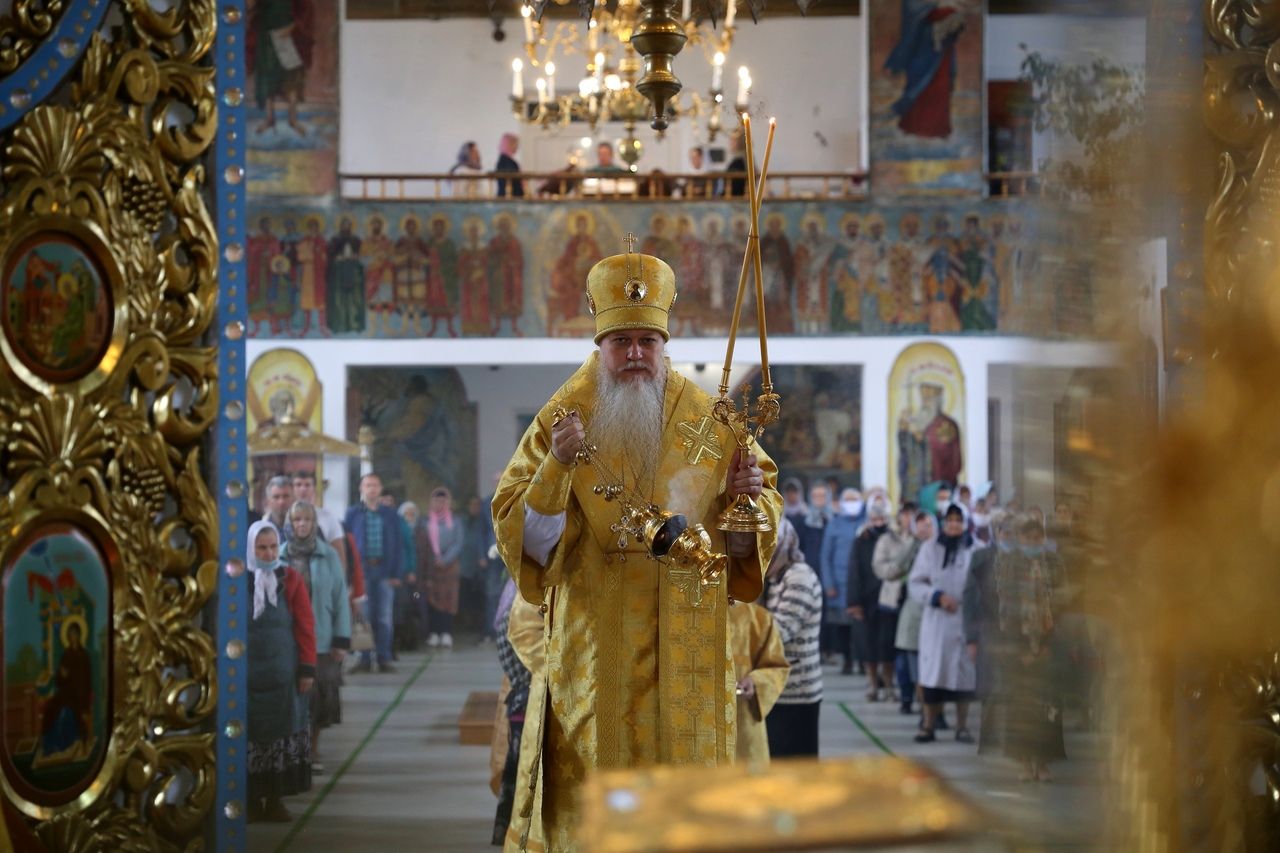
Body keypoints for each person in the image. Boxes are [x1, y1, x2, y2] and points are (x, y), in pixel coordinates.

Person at [492, 246, 780, 850]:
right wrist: (556, 466)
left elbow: (751, 530)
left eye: (647, 341)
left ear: (663, 344)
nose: (634, 354)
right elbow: (527, 543)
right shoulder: (560, 419)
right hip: (594, 650)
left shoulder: (712, 418)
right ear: (600, 344)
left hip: (687, 644)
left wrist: (745, 499)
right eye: (620, 341)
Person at [245, 521, 315, 823]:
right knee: (249, 737)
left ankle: (275, 800)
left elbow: (305, 625)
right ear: (250, 549)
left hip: (283, 673)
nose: (269, 553)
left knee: (279, 738)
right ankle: (249, 800)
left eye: (273, 547)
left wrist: (307, 668)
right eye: (261, 548)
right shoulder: (237, 581)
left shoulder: (292, 579)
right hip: (247, 675)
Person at [281, 501, 351, 775]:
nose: (302, 524)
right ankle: (293, 750)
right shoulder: (281, 556)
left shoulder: (328, 555)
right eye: (297, 520)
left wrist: (341, 638)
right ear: (290, 524)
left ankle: (313, 748)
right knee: (294, 697)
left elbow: (340, 597)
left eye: (307, 520)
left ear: (314, 524)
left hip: (322, 638)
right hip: (290, 639)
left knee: (320, 698)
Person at [909, 504, 976, 744]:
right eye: (950, 520)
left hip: (965, 617)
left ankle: (962, 726)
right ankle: (928, 725)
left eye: (959, 520)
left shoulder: (976, 549)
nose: (954, 524)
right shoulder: (930, 548)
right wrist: (936, 596)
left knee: (964, 677)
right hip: (937, 620)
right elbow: (915, 582)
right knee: (932, 675)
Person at [762, 519, 824, 758]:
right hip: (775, 691)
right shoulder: (774, 577)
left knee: (796, 769)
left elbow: (780, 632)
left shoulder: (799, 578)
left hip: (796, 694)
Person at [343, 473, 405, 673]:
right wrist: (349, 575)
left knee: (384, 617)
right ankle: (363, 658)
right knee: (364, 616)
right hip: (362, 571)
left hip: (385, 570)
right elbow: (346, 545)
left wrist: (397, 573)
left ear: (380, 489)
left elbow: (399, 544)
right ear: (361, 488)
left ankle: (383, 657)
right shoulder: (353, 513)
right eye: (368, 485)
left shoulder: (390, 514)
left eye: (375, 485)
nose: (372, 489)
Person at [728, 601, 789, 763]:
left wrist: (755, 681)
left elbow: (776, 667)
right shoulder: (674, 615)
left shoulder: (757, 618)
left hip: (741, 724)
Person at [847, 498, 895, 701]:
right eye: (875, 519)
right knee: (868, 647)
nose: (878, 522)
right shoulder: (861, 540)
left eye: (882, 519)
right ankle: (873, 684)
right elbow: (854, 572)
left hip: (889, 599)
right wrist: (854, 602)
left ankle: (889, 685)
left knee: (888, 646)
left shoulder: (894, 539)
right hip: (866, 601)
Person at [819, 487, 864, 674]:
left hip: (861, 583)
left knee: (861, 626)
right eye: (848, 500)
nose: (852, 504)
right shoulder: (834, 524)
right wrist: (828, 583)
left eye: (855, 500)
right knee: (843, 626)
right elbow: (825, 556)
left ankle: (862, 661)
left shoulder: (866, 522)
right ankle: (847, 660)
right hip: (839, 583)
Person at [422, 486, 465, 648]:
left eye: (442, 501)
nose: (439, 503)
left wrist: (445, 560)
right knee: (433, 599)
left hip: (450, 567)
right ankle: (434, 632)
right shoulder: (425, 522)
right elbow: (423, 544)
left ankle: (447, 632)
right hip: (431, 567)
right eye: (436, 500)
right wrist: (435, 559)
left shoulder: (455, 521)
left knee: (449, 599)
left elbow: (458, 543)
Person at [262, 474, 294, 543]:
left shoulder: (302, 527)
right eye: (276, 497)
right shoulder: (260, 528)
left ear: (293, 499)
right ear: (268, 501)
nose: (281, 502)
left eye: (286, 496)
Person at [495, 132, 525, 198]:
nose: (517, 147)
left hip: (510, 196)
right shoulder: (506, 161)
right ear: (509, 144)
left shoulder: (506, 160)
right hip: (509, 197)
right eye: (515, 144)